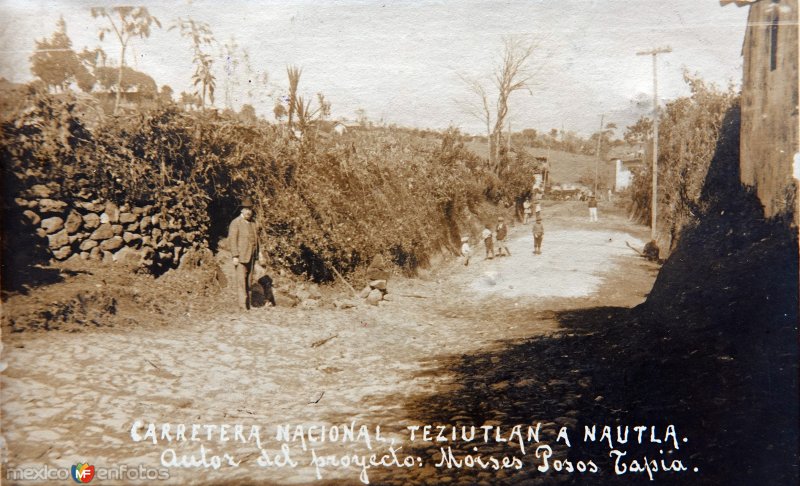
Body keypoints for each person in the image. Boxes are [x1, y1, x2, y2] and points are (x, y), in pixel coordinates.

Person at [228, 197, 264, 310]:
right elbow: (232, 240)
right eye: (246, 209)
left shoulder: (253, 223)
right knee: (241, 282)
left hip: (252, 257)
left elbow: (257, 239)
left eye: (250, 209)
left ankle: (247, 304)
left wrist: (259, 253)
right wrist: (235, 256)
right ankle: (242, 307)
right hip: (241, 257)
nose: (248, 211)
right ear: (241, 210)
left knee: (248, 282)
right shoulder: (235, 223)